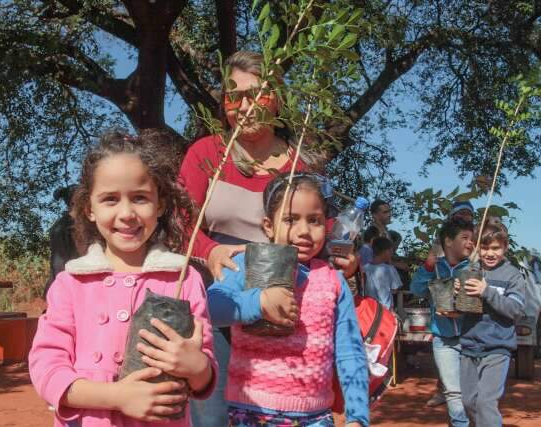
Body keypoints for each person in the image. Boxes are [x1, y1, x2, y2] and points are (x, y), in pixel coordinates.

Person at [179, 50, 357, 427]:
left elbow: (323, 231)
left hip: (285, 308)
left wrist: (345, 257)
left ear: (276, 98)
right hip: (220, 301)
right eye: (234, 96)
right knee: (211, 418)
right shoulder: (206, 153)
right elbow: (180, 226)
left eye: (255, 94)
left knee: (278, 406)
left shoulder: (302, 164)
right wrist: (210, 253)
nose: (244, 106)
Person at [29, 131, 217, 427]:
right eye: (110, 199)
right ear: (89, 209)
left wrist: (197, 366)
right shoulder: (70, 284)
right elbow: (47, 368)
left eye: (140, 198)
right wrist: (117, 397)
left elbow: (203, 372)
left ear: (161, 204)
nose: (127, 213)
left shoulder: (183, 278)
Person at [207, 173, 369, 427]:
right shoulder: (246, 264)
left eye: (314, 220)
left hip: (316, 418)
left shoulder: (334, 282)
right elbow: (211, 307)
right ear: (268, 226)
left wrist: (357, 416)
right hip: (250, 414)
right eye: (290, 219)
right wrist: (258, 302)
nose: (304, 231)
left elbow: (350, 351)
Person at [456, 224, 525, 426]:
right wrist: (457, 293)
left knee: (486, 402)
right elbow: (458, 309)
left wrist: (487, 291)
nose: (490, 253)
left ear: (505, 247)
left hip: (497, 347)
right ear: (477, 248)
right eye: (485, 248)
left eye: (495, 248)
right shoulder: (470, 270)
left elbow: (515, 310)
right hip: (469, 346)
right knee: (469, 401)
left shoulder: (512, 275)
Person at [410, 219, 474, 427]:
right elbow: (416, 290)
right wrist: (428, 266)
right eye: (464, 238)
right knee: (453, 392)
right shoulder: (434, 267)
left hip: (472, 337)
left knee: (472, 392)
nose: (470, 243)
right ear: (448, 241)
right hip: (443, 340)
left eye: (472, 238)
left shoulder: (474, 266)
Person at [44, 185, 79, 299]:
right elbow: (59, 263)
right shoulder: (62, 228)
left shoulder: (83, 225)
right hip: (65, 290)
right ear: (74, 201)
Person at [364, 237, 403, 310]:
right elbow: (395, 289)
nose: (392, 254)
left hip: (369, 310)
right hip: (386, 310)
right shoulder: (390, 269)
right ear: (386, 251)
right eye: (391, 251)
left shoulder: (364, 268)